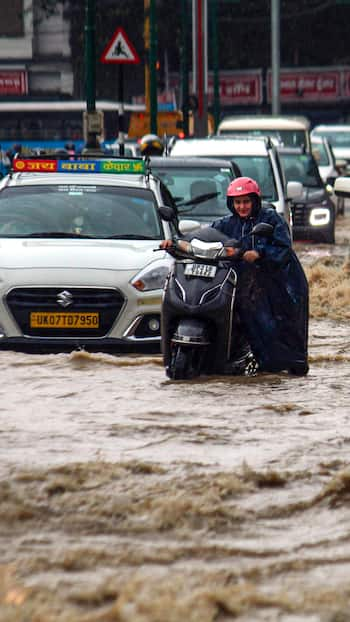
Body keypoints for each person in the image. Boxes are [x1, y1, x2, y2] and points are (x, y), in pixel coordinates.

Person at [160, 176, 309, 376]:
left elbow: (283, 249)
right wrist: (176, 243)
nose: (242, 207)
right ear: (231, 204)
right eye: (237, 202)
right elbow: (204, 237)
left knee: (271, 324)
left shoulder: (272, 220)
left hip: (276, 282)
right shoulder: (226, 223)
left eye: (246, 202)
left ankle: (278, 363)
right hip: (241, 280)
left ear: (255, 201)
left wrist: (259, 254)